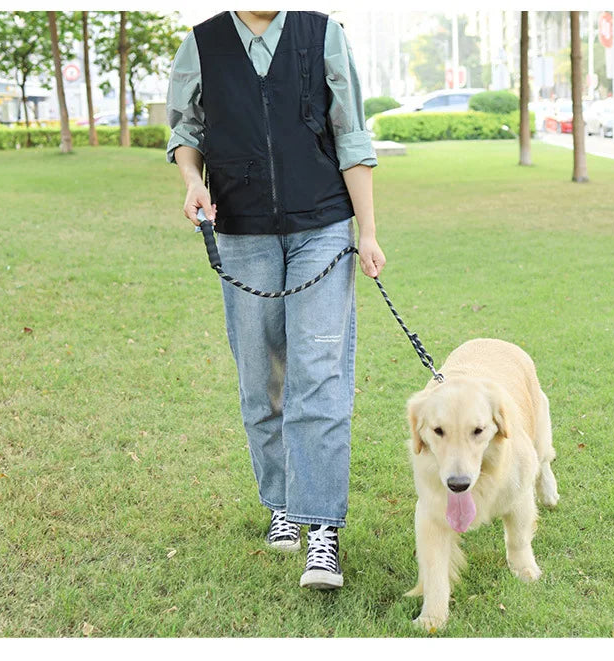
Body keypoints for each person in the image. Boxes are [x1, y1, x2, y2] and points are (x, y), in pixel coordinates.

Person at [166, 10, 385, 590]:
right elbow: (185, 132)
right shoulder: (203, 43)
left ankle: (321, 529)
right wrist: (193, 181)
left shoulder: (323, 33)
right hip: (240, 232)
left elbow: (351, 132)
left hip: (323, 228)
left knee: (318, 375)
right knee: (261, 379)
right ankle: (283, 501)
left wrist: (367, 231)